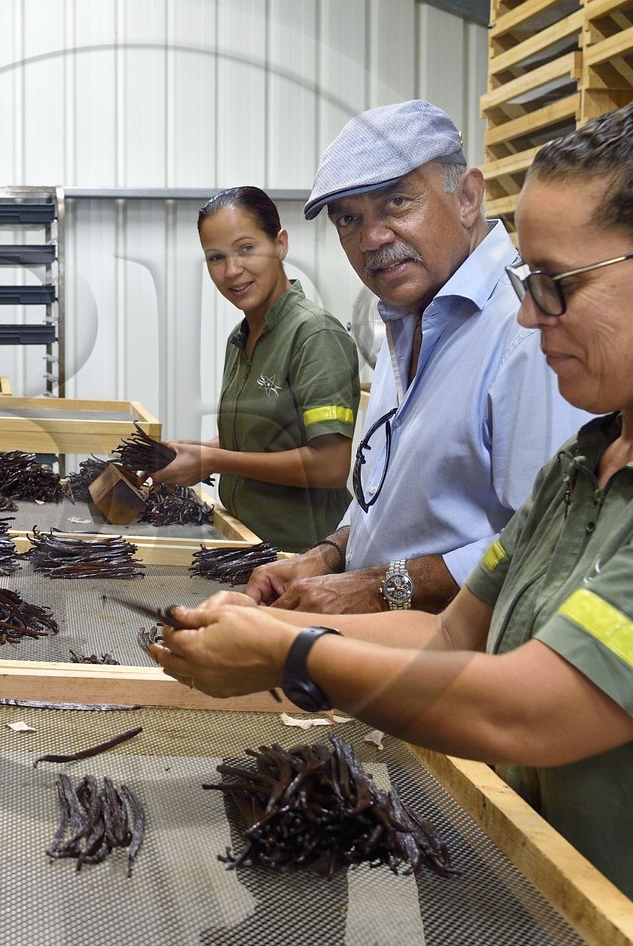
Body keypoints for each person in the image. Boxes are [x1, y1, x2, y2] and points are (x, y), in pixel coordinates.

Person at [149, 87, 633, 946]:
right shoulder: (584, 465)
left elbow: (539, 708)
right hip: (538, 892)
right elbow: (452, 640)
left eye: (556, 285)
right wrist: (260, 619)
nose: (528, 314)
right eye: (527, 282)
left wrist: (289, 652)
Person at [244, 100, 587, 613]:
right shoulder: (402, 321)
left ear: (469, 196)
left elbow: (549, 542)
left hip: (463, 673)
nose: (372, 239)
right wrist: (326, 556)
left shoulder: (529, 333)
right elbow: (386, 502)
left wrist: (378, 587)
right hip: (384, 659)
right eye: (348, 221)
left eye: (398, 204)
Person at [150, 187, 359, 553]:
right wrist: (199, 450)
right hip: (247, 544)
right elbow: (264, 443)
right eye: (216, 257)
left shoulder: (315, 335)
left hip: (301, 557)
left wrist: (212, 460)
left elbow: (331, 465)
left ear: (280, 244)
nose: (232, 271)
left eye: (246, 249)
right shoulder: (242, 337)